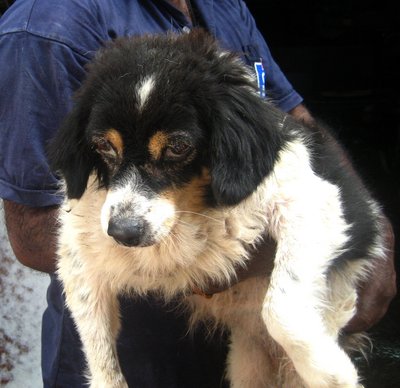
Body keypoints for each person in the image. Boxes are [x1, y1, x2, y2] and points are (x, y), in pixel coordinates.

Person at [0, 0, 396, 387]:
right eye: (108, 149)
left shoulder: (224, 7)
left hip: (235, 342)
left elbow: (296, 125)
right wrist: (246, 246)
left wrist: (371, 230)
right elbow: (34, 235)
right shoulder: (47, 26)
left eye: (173, 150)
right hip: (140, 359)